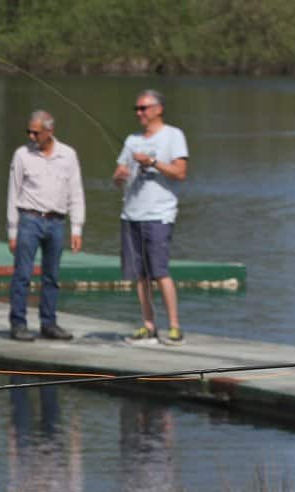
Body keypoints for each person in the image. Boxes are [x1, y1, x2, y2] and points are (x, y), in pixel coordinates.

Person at [112, 89, 189, 346]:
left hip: (159, 214)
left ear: (158, 109)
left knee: (160, 271)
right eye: (136, 109)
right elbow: (119, 172)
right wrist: (119, 176)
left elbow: (180, 173)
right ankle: (148, 325)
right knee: (140, 274)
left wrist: (153, 161)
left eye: (143, 108)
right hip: (131, 213)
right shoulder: (132, 139)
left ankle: (175, 327)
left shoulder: (173, 135)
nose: (139, 113)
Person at [6, 109, 85, 342]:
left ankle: (48, 323)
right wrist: (12, 230)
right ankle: (18, 323)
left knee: (51, 276)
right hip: (29, 219)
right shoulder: (22, 155)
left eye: (36, 132)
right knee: (22, 274)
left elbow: (76, 192)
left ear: (50, 131)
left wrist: (77, 227)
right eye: (28, 132)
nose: (31, 136)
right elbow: (13, 192)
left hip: (56, 221)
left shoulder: (68, 155)